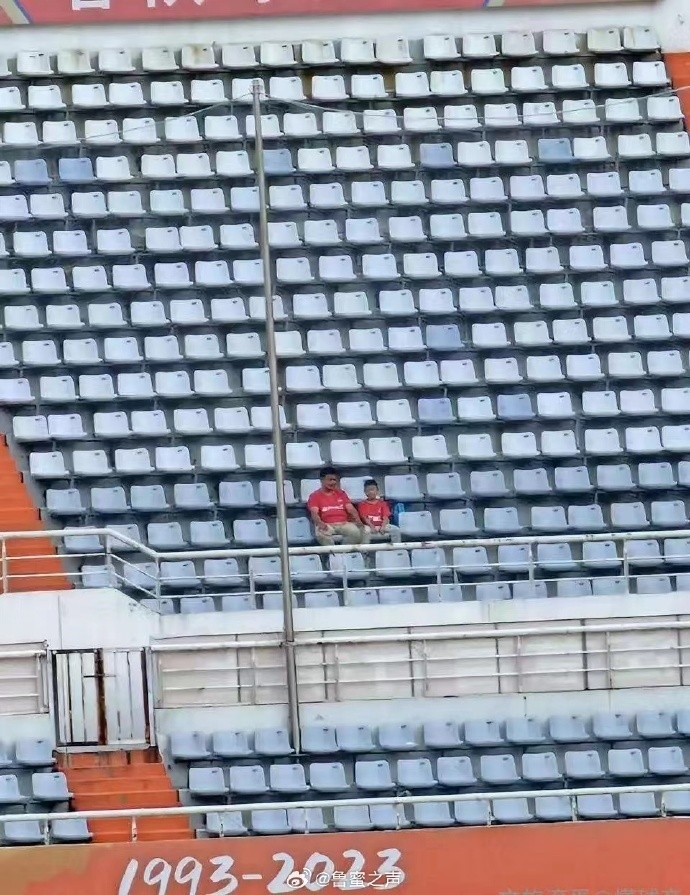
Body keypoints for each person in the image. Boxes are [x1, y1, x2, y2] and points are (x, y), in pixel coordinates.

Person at [307, 467, 369, 546]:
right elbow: (314, 513)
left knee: (356, 532)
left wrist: (358, 521)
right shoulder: (315, 496)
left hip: (344, 524)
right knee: (321, 534)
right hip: (327, 524)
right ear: (322, 480)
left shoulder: (341, 493)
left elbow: (351, 509)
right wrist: (320, 523)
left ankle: (343, 553)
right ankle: (333, 555)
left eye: (335, 480)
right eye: (330, 480)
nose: (333, 482)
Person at [357, 479, 401, 543]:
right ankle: (364, 552)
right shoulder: (362, 504)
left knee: (396, 530)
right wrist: (372, 526)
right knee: (365, 531)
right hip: (369, 526)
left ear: (377, 491)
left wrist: (383, 527)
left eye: (372, 489)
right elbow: (365, 518)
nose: (370, 492)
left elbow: (385, 517)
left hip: (383, 525)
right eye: (368, 490)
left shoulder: (382, 503)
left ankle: (396, 550)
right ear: (365, 492)